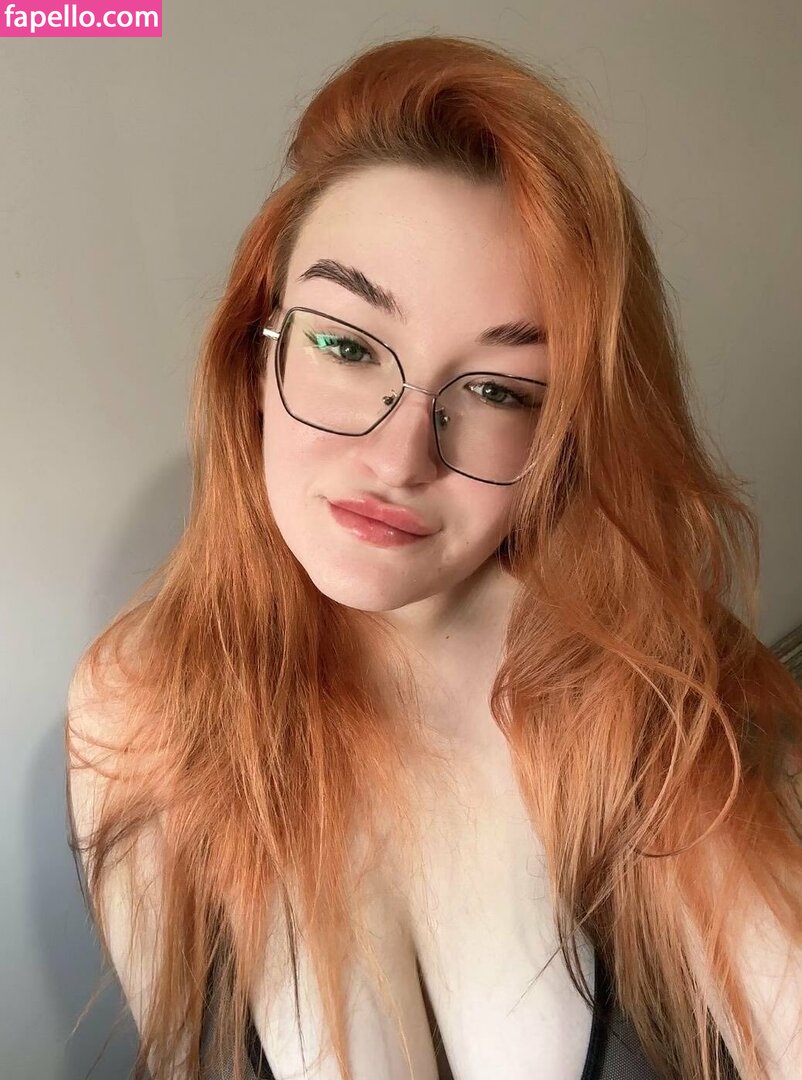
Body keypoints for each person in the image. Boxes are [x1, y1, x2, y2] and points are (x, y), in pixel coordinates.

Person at [65, 33, 802, 1080]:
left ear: (566, 434)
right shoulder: (137, 705)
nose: (399, 457)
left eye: (499, 391)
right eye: (348, 345)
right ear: (254, 351)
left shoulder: (660, 690)